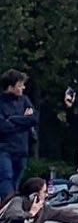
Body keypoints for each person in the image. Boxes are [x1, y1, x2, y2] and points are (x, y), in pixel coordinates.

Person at [0, 72, 38, 202]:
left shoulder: (24, 100)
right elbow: (2, 126)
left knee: (16, 181)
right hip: (4, 149)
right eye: (20, 85)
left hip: (22, 149)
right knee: (6, 178)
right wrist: (23, 121)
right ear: (11, 86)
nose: (23, 88)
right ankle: (8, 205)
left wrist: (12, 119)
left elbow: (33, 119)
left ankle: (11, 206)